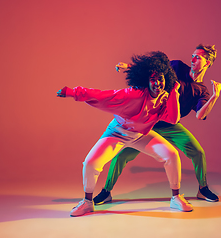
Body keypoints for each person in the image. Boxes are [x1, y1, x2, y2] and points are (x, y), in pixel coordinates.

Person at [57, 51, 193, 217]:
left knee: (171, 154)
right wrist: (74, 92)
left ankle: (176, 197)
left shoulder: (166, 97)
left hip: (141, 135)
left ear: (167, 80)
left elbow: (173, 119)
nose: (157, 83)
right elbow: (103, 96)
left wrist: (174, 92)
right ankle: (87, 202)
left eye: (161, 79)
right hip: (117, 133)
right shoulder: (134, 94)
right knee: (90, 163)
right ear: (146, 81)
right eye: (153, 79)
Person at [93, 44, 221, 205]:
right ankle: (106, 192)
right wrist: (129, 67)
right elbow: (152, 70)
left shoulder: (201, 91)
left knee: (198, 152)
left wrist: (215, 96)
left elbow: (200, 115)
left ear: (208, 63)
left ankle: (203, 189)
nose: (193, 59)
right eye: (193, 55)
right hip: (149, 120)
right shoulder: (176, 67)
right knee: (121, 155)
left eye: (198, 57)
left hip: (170, 124)